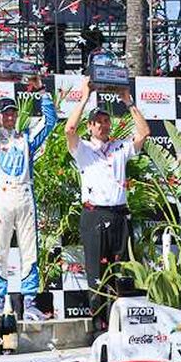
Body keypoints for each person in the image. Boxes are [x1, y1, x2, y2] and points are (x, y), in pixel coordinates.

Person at [0, 69, 58, 319]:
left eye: (13, 112)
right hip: (2, 195)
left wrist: (41, 90)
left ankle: (29, 301)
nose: (9, 116)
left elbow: (50, 122)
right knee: (0, 251)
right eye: (5, 112)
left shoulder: (26, 139)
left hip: (25, 194)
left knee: (30, 250)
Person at [65, 77, 150, 330]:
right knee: (96, 276)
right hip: (93, 216)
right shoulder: (83, 149)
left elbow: (144, 132)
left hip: (119, 216)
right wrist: (84, 98)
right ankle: (97, 329)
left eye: (105, 121)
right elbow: (69, 129)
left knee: (121, 274)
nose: (102, 125)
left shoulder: (120, 147)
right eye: (97, 122)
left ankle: (120, 327)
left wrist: (128, 101)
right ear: (89, 126)